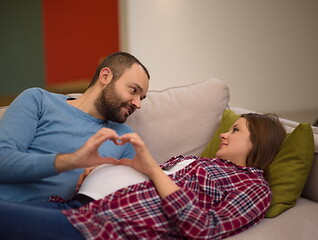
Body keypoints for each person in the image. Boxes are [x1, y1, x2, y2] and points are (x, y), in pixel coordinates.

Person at [0, 113, 286, 239]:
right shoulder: (198, 162)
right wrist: (102, 166)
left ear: (258, 141)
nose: (224, 133)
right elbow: (150, 179)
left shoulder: (254, 188)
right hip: (80, 207)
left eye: (236, 130)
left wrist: (150, 167)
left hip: (104, 229)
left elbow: (204, 229)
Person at [0, 52, 150, 202]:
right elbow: (3, 161)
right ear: (105, 77)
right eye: (133, 90)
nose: (138, 104)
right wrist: (72, 161)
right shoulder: (39, 100)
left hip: (66, 218)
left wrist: (101, 176)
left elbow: (134, 194)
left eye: (141, 98)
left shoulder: (125, 138)